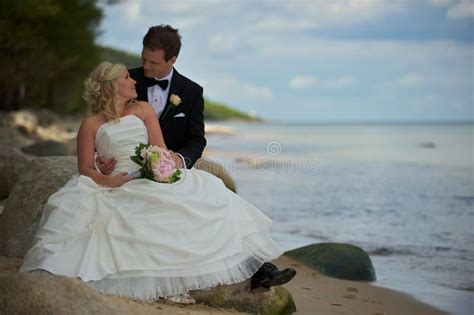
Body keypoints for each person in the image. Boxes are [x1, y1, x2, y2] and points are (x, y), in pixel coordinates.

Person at [20, 62, 296, 304]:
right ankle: (174, 283)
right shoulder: (90, 124)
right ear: (110, 87)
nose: (133, 81)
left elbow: (160, 148)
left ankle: (260, 270)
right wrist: (108, 179)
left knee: (210, 196)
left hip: (150, 174)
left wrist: (159, 166)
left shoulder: (142, 110)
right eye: (126, 79)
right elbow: (84, 168)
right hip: (116, 182)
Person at [97, 24, 205, 172]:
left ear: (172, 60)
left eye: (153, 63)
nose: (146, 66)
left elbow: (197, 140)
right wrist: (99, 157)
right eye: (144, 58)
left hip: (168, 170)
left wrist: (180, 159)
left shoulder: (192, 91)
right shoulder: (125, 80)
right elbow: (103, 125)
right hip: (124, 168)